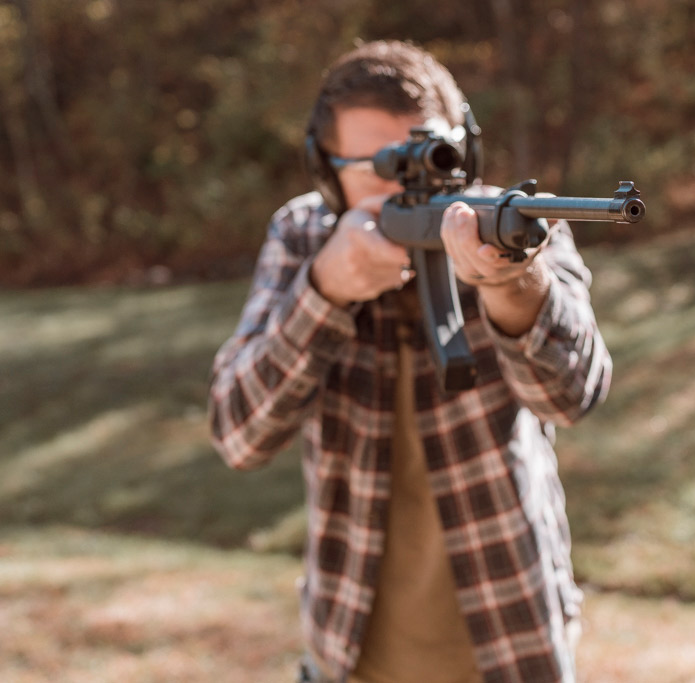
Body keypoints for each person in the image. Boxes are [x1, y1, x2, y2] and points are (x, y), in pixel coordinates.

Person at [208, 40, 611, 683]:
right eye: (378, 164)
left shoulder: (508, 224)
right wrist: (326, 289)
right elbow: (238, 433)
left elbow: (573, 395)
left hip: (514, 641)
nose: (404, 184)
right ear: (325, 167)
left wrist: (510, 286)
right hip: (351, 650)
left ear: (465, 152)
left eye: (432, 157)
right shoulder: (303, 236)